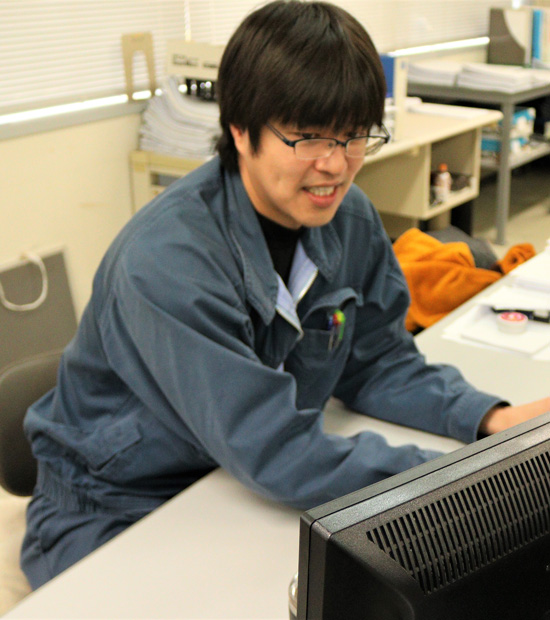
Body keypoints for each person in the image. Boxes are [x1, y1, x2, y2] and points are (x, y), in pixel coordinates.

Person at [21, 0, 549, 588]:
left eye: (353, 136)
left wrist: (488, 419)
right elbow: (273, 447)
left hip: (235, 479)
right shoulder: (167, 261)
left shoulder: (349, 220)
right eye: (306, 137)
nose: (335, 166)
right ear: (240, 130)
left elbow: (377, 363)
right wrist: (466, 484)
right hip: (115, 508)